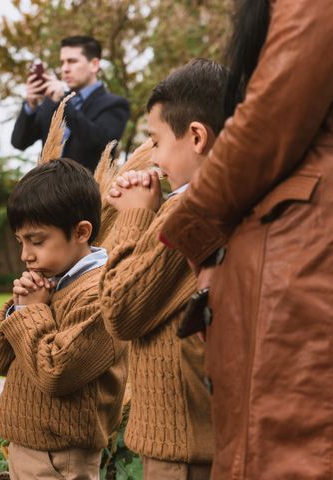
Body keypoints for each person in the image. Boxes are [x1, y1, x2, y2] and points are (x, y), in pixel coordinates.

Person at [158, 1, 333, 478]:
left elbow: (274, 109)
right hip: (330, 250)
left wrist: (194, 229)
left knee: (305, 449)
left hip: (320, 259)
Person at [100, 59, 230, 480]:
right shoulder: (226, 197)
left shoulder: (190, 211)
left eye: (155, 142)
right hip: (200, 438)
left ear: (196, 136)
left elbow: (119, 311)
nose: (153, 159)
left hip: (185, 452)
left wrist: (134, 217)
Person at [0, 158, 128, 480]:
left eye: (37, 241)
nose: (26, 255)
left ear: (81, 231)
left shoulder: (101, 294)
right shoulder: (49, 285)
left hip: (62, 459)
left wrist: (32, 310)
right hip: (28, 449)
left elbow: (56, 373)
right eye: (21, 242)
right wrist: (19, 307)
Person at [11, 35, 130, 172]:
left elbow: (100, 143)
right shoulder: (51, 103)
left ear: (94, 65)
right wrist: (30, 105)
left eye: (72, 61)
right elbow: (19, 142)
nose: (65, 69)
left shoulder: (115, 104)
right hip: (47, 190)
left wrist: (63, 101)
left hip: (88, 191)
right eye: (62, 62)